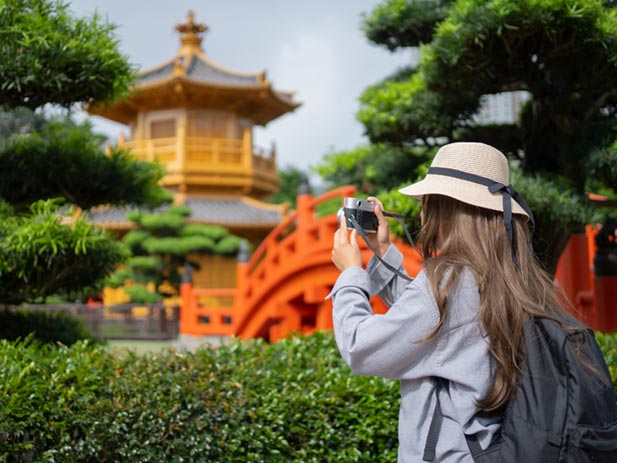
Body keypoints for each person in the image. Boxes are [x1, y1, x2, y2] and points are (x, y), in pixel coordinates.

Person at [328, 142, 573, 462]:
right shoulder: (513, 274)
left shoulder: (449, 282)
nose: (424, 212)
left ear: (447, 209)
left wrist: (350, 274)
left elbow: (361, 347)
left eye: (428, 202)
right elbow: (440, 328)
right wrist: (384, 252)